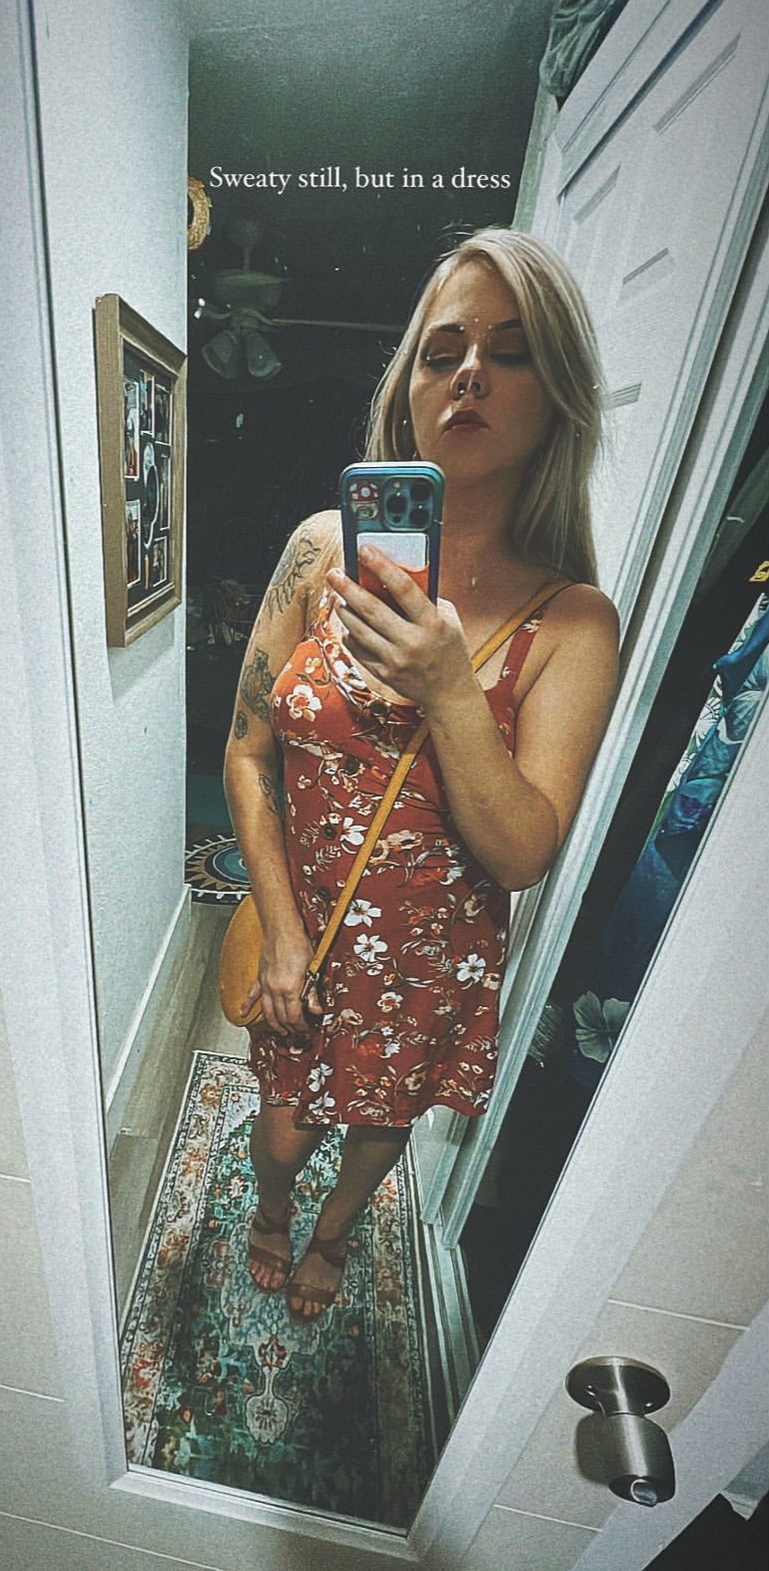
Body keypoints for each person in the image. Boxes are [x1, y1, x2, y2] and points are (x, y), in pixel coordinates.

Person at [223, 227, 619, 1323]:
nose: (471, 374)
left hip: (430, 963)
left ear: (558, 395)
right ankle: (271, 1210)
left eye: (511, 351)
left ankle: (333, 1236)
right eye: (443, 353)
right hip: (303, 931)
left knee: (379, 1127)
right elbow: (247, 752)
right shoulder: (319, 554)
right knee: (282, 1131)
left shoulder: (573, 621)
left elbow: (523, 852)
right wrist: (282, 929)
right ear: (408, 389)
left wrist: (449, 685)